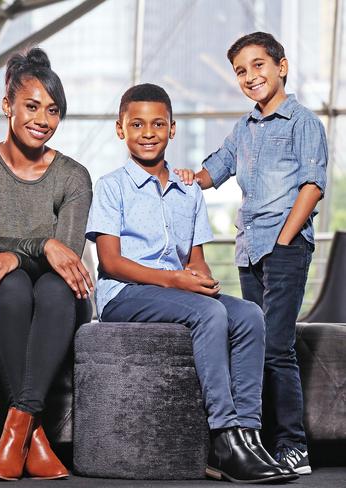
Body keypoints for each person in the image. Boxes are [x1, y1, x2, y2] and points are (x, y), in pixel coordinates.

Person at [86, 83, 298, 484]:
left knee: (250, 314)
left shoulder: (188, 191)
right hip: (125, 293)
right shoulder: (111, 186)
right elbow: (110, 263)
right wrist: (176, 282)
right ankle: (222, 436)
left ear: (173, 129)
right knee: (208, 313)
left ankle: (247, 435)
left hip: (175, 288)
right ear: (120, 130)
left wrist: (201, 280)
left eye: (157, 124)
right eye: (137, 124)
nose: (147, 132)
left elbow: (195, 261)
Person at [175, 32, 327, 475]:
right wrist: (184, 176)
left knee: (277, 346)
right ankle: (252, 443)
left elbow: (313, 186)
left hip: (285, 247)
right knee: (254, 345)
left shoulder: (303, 123)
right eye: (241, 71)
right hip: (248, 251)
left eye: (258, 65)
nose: (250, 76)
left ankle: (294, 445)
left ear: (281, 66)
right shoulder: (242, 128)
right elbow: (211, 173)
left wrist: (283, 240)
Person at [0, 47, 93, 481]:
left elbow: (64, 259)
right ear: (7, 105)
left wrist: (24, 252)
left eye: (53, 111)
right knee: (8, 284)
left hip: (56, 300)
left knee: (51, 286)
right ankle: (36, 436)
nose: (42, 119)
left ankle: (18, 430)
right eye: (31, 106)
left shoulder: (73, 176)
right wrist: (38, 245)